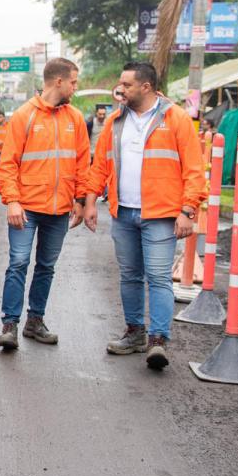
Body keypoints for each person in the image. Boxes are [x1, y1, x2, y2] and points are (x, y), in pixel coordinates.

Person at [82, 62, 207, 370]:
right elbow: (100, 167)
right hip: (124, 213)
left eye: (126, 84)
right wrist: (88, 202)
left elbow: (194, 169)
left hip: (162, 215)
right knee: (130, 276)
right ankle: (135, 333)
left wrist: (188, 209)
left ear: (146, 87)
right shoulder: (115, 121)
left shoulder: (175, 118)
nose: (120, 89)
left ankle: (158, 341)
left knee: (159, 278)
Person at [0, 58, 89, 350]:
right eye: (73, 81)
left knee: (46, 266)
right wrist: (12, 201)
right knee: (18, 263)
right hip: (26, 208)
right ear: (58, 81)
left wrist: (81, 199)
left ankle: (35, 321)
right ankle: (10, 324)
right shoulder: (25, 115)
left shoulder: (75, 118)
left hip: (59, 210)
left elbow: (83, 162)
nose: (76, 86)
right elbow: (8, 163)